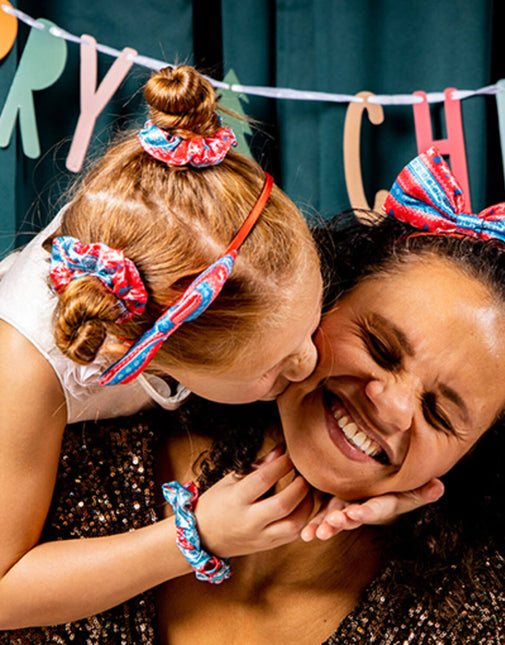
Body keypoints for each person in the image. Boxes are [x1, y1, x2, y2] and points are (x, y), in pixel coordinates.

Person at [0, 148, 505, 643]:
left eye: (439, 415)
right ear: (327, 294)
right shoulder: (57, 399)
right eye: (381, 348)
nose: (390, 408)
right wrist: (195, 536)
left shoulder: (465, 617)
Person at [0, 63, 326, 627]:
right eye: (275, 368)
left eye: (313, 322)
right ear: (142, 347)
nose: (311, 361)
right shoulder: (23, 367)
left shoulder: (180, 233)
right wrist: (195, 536)